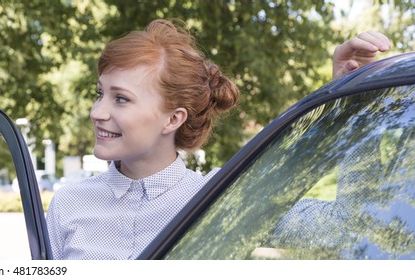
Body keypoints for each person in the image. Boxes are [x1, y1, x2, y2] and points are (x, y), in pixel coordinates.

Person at [45, 19, 392, 260]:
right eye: (100, 93)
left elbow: (351, 226)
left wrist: (353, 104)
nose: (97, 112)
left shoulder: (223, 198)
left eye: (120, 98)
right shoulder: (69, 203)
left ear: (173, 118)